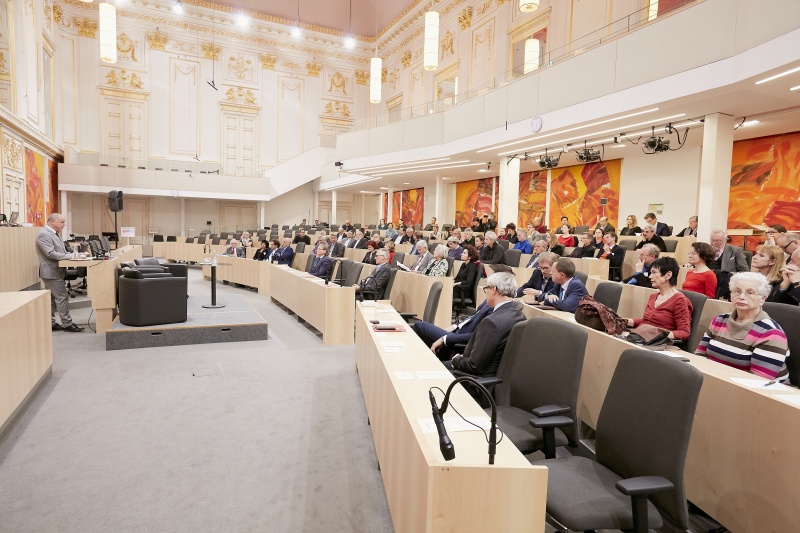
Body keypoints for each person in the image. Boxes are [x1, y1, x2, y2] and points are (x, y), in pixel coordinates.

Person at [696, 272, 789, 380]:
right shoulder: (719, 320)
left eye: (750, 292)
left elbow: (757, 380)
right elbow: (700, 355)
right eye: (737, 291)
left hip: (764, 393)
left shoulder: (771, 333)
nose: (741, 296)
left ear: (762, 299)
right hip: (719, 383)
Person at [446, 271, 526, 376]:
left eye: (486, 289)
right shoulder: (520, 315)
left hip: (474, 380)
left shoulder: (491, 322)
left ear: (493, 289)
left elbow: (473, 365)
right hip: (497, 378)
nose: (486, 293)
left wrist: (456, 360)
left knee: (430, 371)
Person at [623, 257, 693, 342]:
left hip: (659, 344)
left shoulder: (680, 300)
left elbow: (684, 333)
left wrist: (659, 334)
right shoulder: (653, 296)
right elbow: (646, 322)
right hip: (641, 338)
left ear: (668, 275)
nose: (650, 276)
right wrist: (625, 321)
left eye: (654, 273)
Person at [36, 213, 84, 332]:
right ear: (52, 222)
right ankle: (67, 323)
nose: (64, 224)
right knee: (62, 297)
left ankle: (50, 323)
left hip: (55, 271)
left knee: (52, 299)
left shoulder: (54, 234)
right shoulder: (44, 234)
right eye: (62, 222)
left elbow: (60, 250)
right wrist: (70, 255)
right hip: (51, 272)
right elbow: (50, 253)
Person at [709, 228, 749, 299]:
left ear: (725, 240)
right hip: (709, 279)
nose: (714, 243)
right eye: (712, 240)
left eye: (718, 241)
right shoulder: (707, 250)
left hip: (726, 282)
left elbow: (744, 270)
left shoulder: (735, 251)